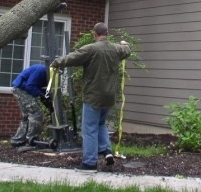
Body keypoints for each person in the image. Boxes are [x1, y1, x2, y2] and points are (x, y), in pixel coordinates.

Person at [51, 22, 130, 173]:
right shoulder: (116, 49)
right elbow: (127, 50)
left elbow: (71, 58)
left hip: (93, 96)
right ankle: (106, 152)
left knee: (89, 129)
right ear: (107, 34)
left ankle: (89, 163)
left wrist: (56, 63)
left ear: (95, 34)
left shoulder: (91, 49)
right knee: (100, 125)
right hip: (109, 97)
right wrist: (124, 43)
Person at [10, 63, 51, 147]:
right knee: (36, 113)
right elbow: (30, 86)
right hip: (21, 89)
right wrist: (41, 96)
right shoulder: (40, 70)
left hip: (20, 89)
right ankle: (32, 140)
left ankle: (18, 140)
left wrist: (47, 101)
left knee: (26, 116)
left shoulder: (46, 74)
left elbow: (41, 88)